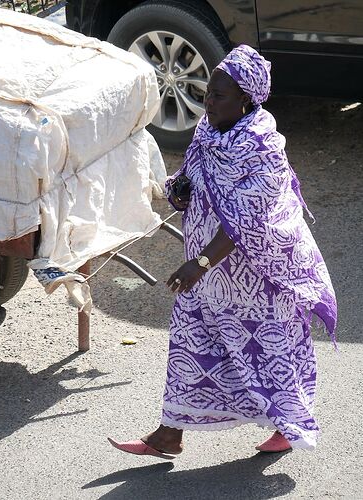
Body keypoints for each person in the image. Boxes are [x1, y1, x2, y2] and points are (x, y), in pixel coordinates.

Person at [108, 45, 337, 456]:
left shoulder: (262, 147)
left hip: (256, 276)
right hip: (210, 274)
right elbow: (195, 175)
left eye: (218, 96)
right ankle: (169, 433)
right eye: (209, 92)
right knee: (192, 343)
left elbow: (248, 220)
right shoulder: (209, 130)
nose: (207, 102)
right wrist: (177, 189)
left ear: (246, 98)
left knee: (267, 350)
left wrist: (198, 264)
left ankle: (288, 425)